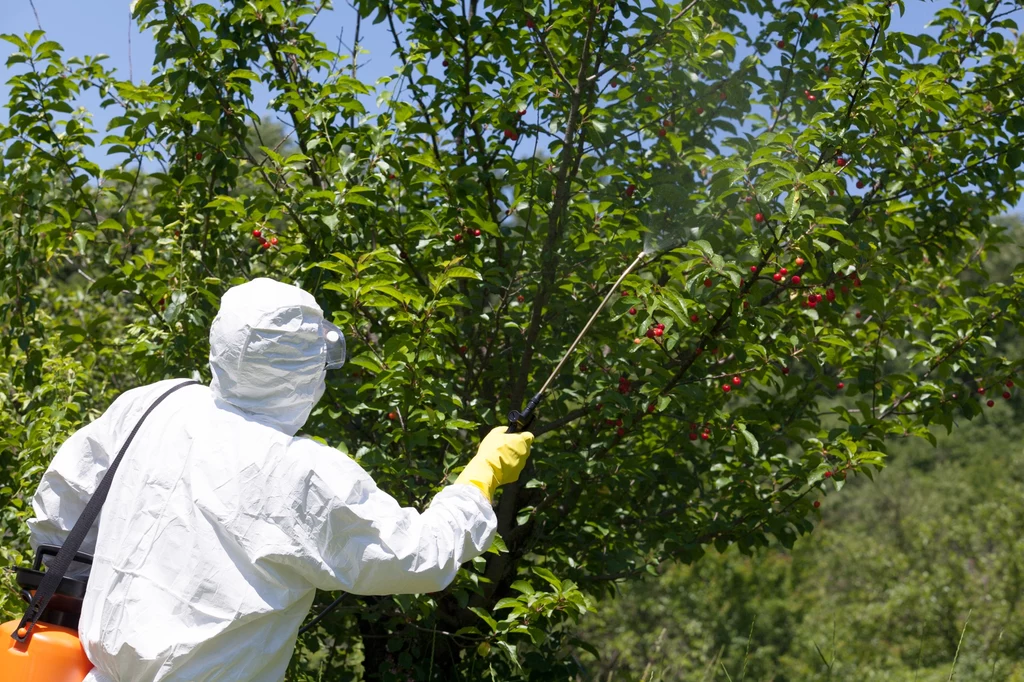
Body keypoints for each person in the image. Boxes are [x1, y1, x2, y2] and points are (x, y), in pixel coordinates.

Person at [27, 277, 534, 682]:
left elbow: (60, 510)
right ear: (306, 371)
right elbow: (414, 555)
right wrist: (478, 480)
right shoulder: (300, 472)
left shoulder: (157, 402)